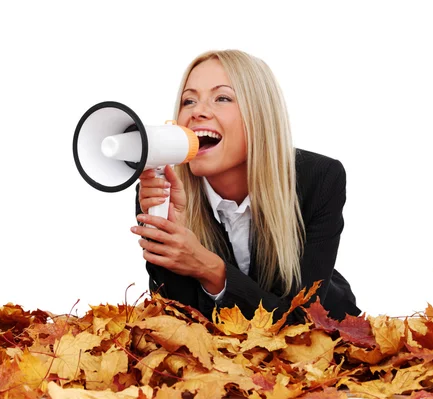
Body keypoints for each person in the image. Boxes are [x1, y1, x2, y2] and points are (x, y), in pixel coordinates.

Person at [130, 49, 360, 325]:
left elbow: (301, 321)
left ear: (259, 115)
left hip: (325, 340)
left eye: (222, 98)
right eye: (188, 100)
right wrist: (169, 233)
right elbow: (178, 320)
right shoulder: (161, 188)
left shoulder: (320, 179)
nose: (198, 112)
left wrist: (212, 270)